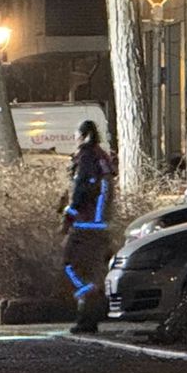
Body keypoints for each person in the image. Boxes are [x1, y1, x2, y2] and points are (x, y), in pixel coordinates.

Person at [60, 120, 116, 334]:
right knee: (91, 268)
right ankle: (91, 310)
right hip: (100, 223)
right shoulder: (102, 157)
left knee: (70, 265)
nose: (74, 139)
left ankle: (90, 304)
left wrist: (69, 215)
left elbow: (81, 189)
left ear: (84, 136)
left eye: (76, 135)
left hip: (85, 223)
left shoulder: (86, 157)